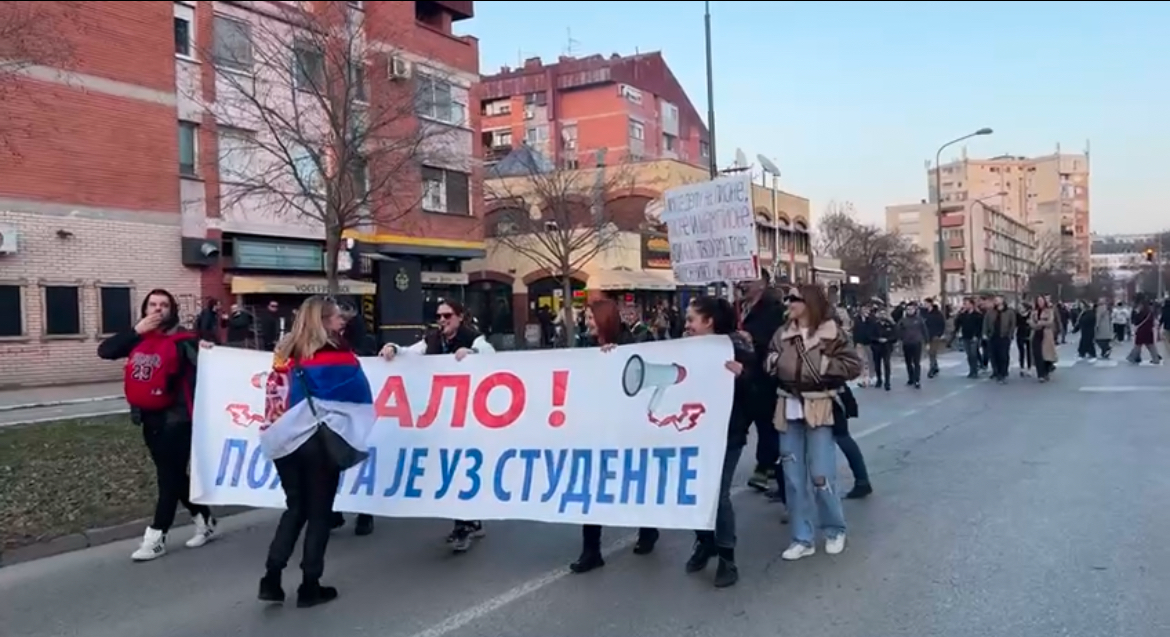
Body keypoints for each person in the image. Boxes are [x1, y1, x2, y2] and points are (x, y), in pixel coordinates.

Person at [256, 296, 376, 608]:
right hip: (317, 441)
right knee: (320, 512)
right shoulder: (339, 357)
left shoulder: (283, 354)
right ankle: (310, 585)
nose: (342, 323)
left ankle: (271, 577)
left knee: (295, 508)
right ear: (322, 321)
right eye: (337, 318)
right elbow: (360, 397)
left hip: (283, 440)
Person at [98, 288, 217, 562]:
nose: (157, 309)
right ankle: (205, 518)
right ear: (144, 309)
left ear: (171, 310)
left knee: (168, 478)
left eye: (164, 305)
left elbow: (208, 364)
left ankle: (156, 537)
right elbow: (105, 351)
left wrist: (208, 351)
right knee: (174, 476)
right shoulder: (139, 338)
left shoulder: (184, 340)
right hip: (148, 418)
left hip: (178, 421)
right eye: (152, 304)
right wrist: (135, 330)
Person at [379, 299, 495, 552]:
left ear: (460, 317)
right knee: (448, 469)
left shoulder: (473, 338)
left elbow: (490, 354)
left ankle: (464, 525)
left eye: (447, 315)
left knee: (462, 467)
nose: (442, 320)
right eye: (439, 316)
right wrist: (393, 347)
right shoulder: (432, 339)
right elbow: (410, 351)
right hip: (440, 417)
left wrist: (473, 355)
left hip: (465, 416)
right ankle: (470, 521)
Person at [767, 284, 862, 560]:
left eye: (794, 298)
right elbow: (769, 360)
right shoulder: (781, 332)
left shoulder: (833, 333)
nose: (789, 302)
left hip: (820, 407)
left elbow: (852, 366)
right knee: (793, 480)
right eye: (788, 298)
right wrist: (774, 362)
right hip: (788, 408)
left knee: (821, 475)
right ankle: (802, 538)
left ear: (808, 302)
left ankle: (834, 529)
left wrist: (822, 366)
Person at [569, 299, 660, 573]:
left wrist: (617, 355)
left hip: (627, 427)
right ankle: (591, 549)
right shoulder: (585, 346)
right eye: (585, 318)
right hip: (597, 426)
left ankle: (648, 528)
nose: (587, 323)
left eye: (591, 318)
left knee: (633, 479)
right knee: (592, 485)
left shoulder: (634, 341)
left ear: (605, 319)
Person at [681, 296, 754, 587]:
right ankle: (705, 542)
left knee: (718, 493)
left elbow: (759, 390)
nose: (686, 325)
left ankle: (727, 557)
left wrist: (743, 375)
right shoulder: (685, 348)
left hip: (728, 433)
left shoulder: (736, 348)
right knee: (696, 491)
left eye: (691, 320)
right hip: (695, 431)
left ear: (708, 321)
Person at [982, 296, 1016, 384]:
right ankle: (996, 371)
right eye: (995, 300)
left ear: (1002, 300)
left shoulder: (1009, 312)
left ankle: (1003, 373)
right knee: (993, 355)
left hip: (1004, 336)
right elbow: (985, 323)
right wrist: (985, 333)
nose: (996, 301)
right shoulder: (990, 312)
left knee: (1003, 355)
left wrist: (1010, 335)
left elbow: (1012, 324)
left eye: (997, 299)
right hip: (993, 336)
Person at [896, 302, 928, 389]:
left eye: (911, 309)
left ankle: (917, 380)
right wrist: (900, 340)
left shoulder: (919, 319)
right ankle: (911, 378)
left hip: (917, 343)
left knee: (916, 363)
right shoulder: (903, 320)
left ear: (915, 310)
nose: (910, 311)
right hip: (906, 343)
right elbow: (898, 330)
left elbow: (924, 330)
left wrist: (927, 342)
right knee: (908, 362)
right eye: (908, 309)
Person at [865, 304, 896, 391]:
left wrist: (887, 339)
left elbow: (895, 335)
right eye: (880, 313)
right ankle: (879, 380)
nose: (882, 315)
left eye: (884, 313)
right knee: (877, 365)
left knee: (887, 364)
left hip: (887, 347)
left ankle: (887, 382)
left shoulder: (890, 324)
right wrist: (878, 339)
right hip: (876, 347)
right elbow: (870, 335)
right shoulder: (874, 324)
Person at [1126, 295, 1163, 365]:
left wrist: (1135, 315)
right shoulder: (1149, 311)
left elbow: (1136, 320)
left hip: (1141, 330)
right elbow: (1152, 320)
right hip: (1148, 330)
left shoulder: (1140, 311)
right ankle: (1155, 358)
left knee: (1138, 345)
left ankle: (1132, 357)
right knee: (1150, 345)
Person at [1029, 296, 1058, 382]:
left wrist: (1041, 323)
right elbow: (1031, 322)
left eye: (1041, 301)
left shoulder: (1049, 311)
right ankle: (1040, 374)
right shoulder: (1034, 312)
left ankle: (1046, 371)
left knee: (1046, 355)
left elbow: (1050, 322)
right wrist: (1035, 325)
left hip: (1046, 334)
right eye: (1038, 301)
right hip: (1036, 334)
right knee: (1037, 355)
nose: (1040, 302)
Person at [955, 298, 984, 379]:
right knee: (969, 355)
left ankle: (975, 371)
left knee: (973, 354)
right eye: (964, 304)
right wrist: (960, 313)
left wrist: (977, 335)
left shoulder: (977, 315)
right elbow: (957, 323)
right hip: (965, 336)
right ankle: (971, 370)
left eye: (967, 304)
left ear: (972, 304)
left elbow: (980, 326)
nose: (966, 305)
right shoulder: (963, 315)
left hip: (974, 337)